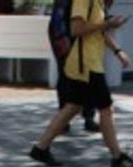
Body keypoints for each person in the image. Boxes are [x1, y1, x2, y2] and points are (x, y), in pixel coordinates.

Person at [29, 0, 133, 167]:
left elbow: (99, 32)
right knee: (106, 108)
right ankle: (118, 157)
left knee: (73, 106)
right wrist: (107, 23)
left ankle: (40, 148)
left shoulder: (96, 2)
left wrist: (117, 51)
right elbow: (77, 29)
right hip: (86, 65)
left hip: (88, 63)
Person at [47, 0, 97, 133]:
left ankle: (89, 116)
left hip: (83, 30)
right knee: (65, 74)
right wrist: (61, 37)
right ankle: (64, 119)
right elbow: (58, 14)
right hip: (63, 32)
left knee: (90, 72)